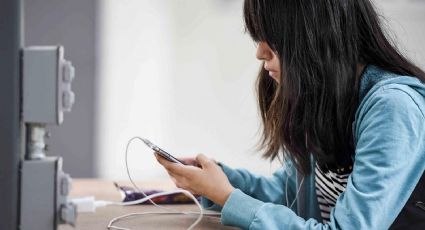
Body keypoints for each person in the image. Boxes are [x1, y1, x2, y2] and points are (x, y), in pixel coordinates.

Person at [155, 0, 425, 229]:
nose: (260, 52)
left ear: (317, 33)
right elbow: (287, 193)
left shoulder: (393, 108)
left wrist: (226, 196)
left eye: (270, 36)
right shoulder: (325, 99)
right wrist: (216, 181)